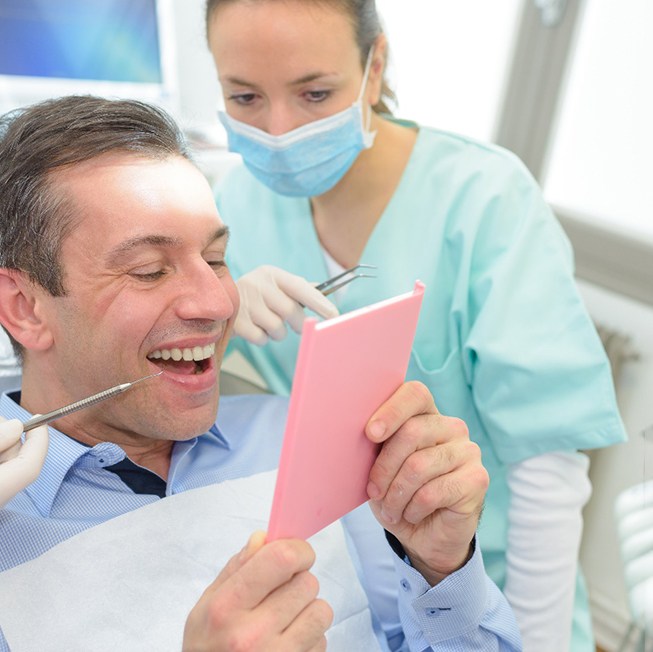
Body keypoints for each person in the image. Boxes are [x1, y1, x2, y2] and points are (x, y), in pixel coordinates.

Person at [0, 95, 521, 651]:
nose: (218, 303)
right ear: (26, 308)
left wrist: (442, 570)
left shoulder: (301, 438)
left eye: (217, 260)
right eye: (150, 271)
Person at [206, 1, 628, 649]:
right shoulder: (235, 203)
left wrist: (534, 639)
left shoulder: (482, 199)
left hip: (489, 582)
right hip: (341, 586)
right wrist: (225, 312)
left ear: (373, 68)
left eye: (314, 93)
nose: (280, 128)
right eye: (244, 97)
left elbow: (547, 468)